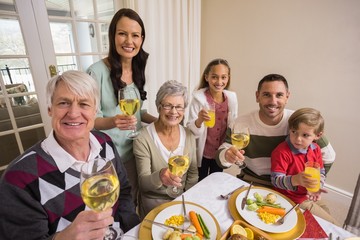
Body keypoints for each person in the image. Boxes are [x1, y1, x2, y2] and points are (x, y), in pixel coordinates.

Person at [0, 71, 140, 240]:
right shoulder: (18, 179)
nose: (73, 113)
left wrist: (133, 231)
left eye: (84, 104)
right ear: (50, 109)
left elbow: (123, 191)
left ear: (95, 110)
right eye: (64, 103)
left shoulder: (105, 143)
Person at [87, 8, 157, 206]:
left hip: (137, 149)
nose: (129, 41)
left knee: (133, 199)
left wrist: (159, 120)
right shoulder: (96, 72)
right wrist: (114, 121)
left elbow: (137, 112)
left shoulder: (138, 69)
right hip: (109, 155)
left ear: (141, 39)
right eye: (122, 34)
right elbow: (90, 121)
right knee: (113, 204)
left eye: (135, 35)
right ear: (113, 36)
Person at [215, 74, 336, 186]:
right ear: (257, 96)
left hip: (290, 185)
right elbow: (222, 156)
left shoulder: (299, 122)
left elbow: (329, 156)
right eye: (267, 95)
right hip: (252, 180)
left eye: (279, 95)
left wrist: (315, 182)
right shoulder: (240, 123)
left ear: (287, 97)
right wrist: (226, 155)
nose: (273, 101)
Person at [133, 80, 198, 219]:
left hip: (182, 201)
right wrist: (160, 176)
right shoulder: (142, 138)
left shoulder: (189, 135)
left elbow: (192, 175)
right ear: (158, 107)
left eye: (179, 107)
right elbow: (143, 183)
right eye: (168, 106)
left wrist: (188, 202)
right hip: (153, 203)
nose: (174, 112)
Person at [271, 107, 338, 225]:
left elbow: (321, 171)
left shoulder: (316, 149)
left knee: (326, 211)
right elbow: (275, 180)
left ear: (318, 135)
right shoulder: (282, 152)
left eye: (305, 135)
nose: (297, 139)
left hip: (308, 194)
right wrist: (295, 180)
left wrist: (318, 185)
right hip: (292, 198)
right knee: (332, 224)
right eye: (294, 132)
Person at [187, 58, 238, 181]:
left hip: (220, 152)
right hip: (202, 152)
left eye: (223, 77)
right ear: (206, 77)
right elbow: (190, 130)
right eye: (214, 77)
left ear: (228, 78)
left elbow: (233, 125)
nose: (219, 81)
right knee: (199, 181)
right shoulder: (198, 99)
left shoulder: (231, 99)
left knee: (216, 181)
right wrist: (199, 121)